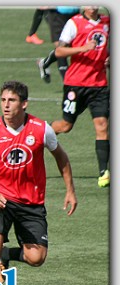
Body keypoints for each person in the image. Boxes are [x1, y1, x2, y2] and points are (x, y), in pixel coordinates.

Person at [0, 81, 77, 285]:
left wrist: (70, 190)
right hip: (0, 199)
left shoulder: (41, 129)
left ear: (24, 103)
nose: (6, 105)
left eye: (12, 100)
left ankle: (7, 256)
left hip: (31, 203)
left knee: (36, 258)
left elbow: (61, 157)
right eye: (3, 100)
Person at [49, 6, 110, 187]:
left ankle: (103, 173)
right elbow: (59, 52)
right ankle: (43, 131)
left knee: (102, 126)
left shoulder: (108, 21)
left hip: (99, 85)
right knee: (66, 126)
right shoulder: (74, 23)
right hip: (76, 84)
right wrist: (83, 48)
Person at [37, 6, 81, 83]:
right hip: (57, 14)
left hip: (75, 12)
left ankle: (44, 62)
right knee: (61, 48)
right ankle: (67, 82)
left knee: (75, 46)